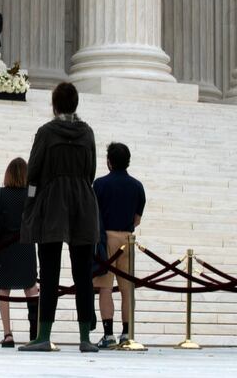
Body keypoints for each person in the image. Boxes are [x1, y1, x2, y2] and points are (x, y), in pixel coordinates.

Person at [19, 82, 99, 353]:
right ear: (76, 104)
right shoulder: (87, 133)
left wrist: (31, 200)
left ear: (54, 105)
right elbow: (91, 171)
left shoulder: (46, 133)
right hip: (83, 204)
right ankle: (85, 338)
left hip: (52, 203)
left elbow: (32, 173)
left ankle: (43, 335)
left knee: (50, 271)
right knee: (83, 274)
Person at [93, 142, 146, 349]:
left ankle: (108, 334)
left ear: (109, 161)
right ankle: (126, 333)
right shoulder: (137, 186)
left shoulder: (99, 184)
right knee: (127, 289)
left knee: (105, 288)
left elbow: (94, 214)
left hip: (105, 239)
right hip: (127, 240)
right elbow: (137, 219)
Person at [0, 157, 38, 347]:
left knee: (3, 290)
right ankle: (34, 334)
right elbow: (36, 195)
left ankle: (8, 334)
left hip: (4, 247)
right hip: (25, 245)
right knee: (31, 287)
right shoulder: (30, 192)